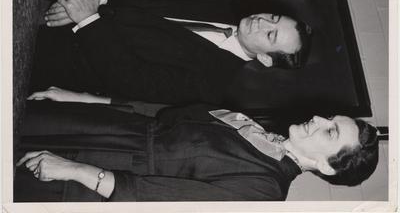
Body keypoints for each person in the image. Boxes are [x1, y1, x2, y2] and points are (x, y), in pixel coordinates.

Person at [15, 101, 379, 202]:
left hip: (93, 172)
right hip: (106, 129)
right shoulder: (259, 131)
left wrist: (73, 170)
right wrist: (80, 100)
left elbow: (150, 198)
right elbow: (164, 118)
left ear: (328, 167)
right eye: (330, 117)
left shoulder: (264, 191)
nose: (317, 117)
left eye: (330, 130)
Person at [30, 0, 312, 105]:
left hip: (50, 58)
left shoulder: (210, 87)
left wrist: (88, 19)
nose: (262, 22)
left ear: (265, 59)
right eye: (273, 17)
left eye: (270, 35)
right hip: (55, 0)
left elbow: (128, 79)